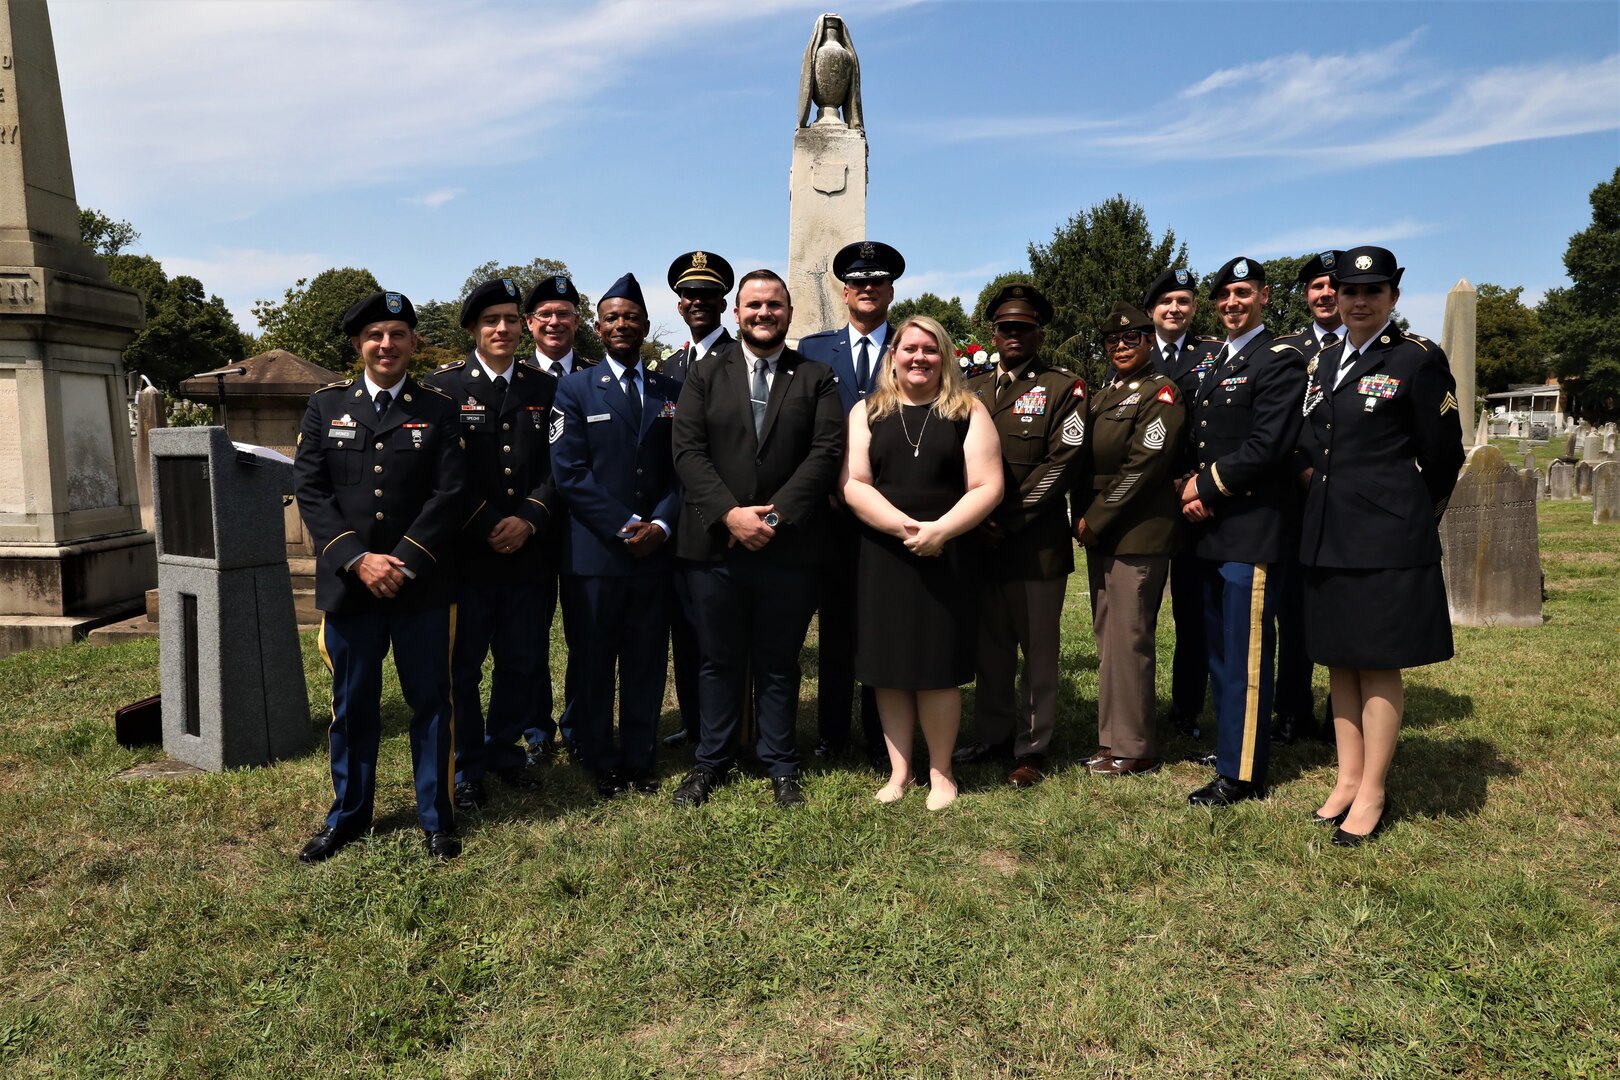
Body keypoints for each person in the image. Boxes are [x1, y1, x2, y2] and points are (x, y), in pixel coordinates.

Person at [1294, 245, 1464, 845]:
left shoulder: (1417, 360)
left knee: (1377, 660)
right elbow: (1314, 442)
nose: (1359, 301)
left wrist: (1409, 511)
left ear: (1394, 296)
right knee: (1340, 657)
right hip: (1327, 530)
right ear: (1334, 297)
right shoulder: (1324, 360)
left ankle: (1373, 790)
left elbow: (1445, 454)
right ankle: (1346, 778)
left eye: (1373, 291)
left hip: (1385, 534)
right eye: (1348, 291)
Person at [292, 290, 466, 862]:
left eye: (397, 333)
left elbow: (451, 493)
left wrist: (405, 559)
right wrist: (356, 558)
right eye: (374, 335)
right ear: (357, 344)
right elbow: (312, 491)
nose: (386, 344)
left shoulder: (439, 407)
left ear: (414, 342)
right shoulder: (325, 406)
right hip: (351, 584)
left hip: (422, 584)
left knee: (430, 703)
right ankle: (349, 813)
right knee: (353, 705)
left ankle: (436, 815)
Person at [669, 269, 844, 808]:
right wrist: (731, 515)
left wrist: (774, 518)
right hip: (715, 547)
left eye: (774, 305)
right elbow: (688, 452)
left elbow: (825, 452)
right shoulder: (703, 374)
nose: (763, 314)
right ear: (737, 312)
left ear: (789, 313)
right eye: (754, 305)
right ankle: (711, 761)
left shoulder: (816, 376)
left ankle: (780, 762)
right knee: (717, 659)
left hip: (788, 549)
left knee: (777, 659)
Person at [842, 315, 1002, 810]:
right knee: (888, 668)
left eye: (930, 350)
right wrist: (905, 529)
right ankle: (900, 772)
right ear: (894, 355)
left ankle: (941, 772)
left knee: (937, 668)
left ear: (945, 357)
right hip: (886, 552)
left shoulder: (968, 409)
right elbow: (855, 483)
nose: (919, 358)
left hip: (948, 552)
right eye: (909, 348)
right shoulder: (867, 411)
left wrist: (940, 531)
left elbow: (988, 486)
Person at [1178, 257, 1307, 807]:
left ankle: (1243, 773)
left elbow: (1269, 445)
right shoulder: (1211, 360)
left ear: (1264, 297)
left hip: (1251, 528)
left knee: (1247, 652)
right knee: (1219, 653)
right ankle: (1233, 743)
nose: (1233, 303)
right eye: (1225, 295)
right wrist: (1190, 483)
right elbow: (1198, 437)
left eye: (1243, 293)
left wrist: (1204, 487)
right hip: (1209, 528)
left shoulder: (1279, 360)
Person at [423, 277, 554, 812]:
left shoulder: (545, 388)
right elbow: (439, 475)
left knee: (521, 662)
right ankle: (468, 765)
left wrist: (528, 518)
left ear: (522, 326)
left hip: (530, 554)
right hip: (468, 557)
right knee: (465, 667)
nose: (502, 328)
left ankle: (506, 755)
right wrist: (487, 523)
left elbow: (559, 468)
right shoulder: (442, 388)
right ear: (474, 329)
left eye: (509, 319)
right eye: (490, 321)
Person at [549, 273, 681, 798]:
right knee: (596, 659)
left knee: (648, 659)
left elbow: (681, 469)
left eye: (631, 317)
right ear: (597, 329)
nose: (622, 325)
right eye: (612, 318)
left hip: (655, 555)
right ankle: (600, 757)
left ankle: (639, 756)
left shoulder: (671, 391)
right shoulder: (575, 387)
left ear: (646, 326)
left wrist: (662, 525)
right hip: (595, 556)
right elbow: (569, 472)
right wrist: (627, 527)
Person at [953, 283, 1090, 787]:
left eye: (1023, 328)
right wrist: (972, 519)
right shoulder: (971, 389)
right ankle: (992, 735)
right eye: (1005, 328)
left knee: (1038, 653)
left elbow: (1063, 463)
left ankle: (1031, 748)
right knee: (990, 647)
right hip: (981, 544)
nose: (1013, 335)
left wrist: (1002, 517)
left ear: (1038, 333)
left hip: (1033, 546)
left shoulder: (1063, 387)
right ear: (994, 332)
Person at [795, 240, 904, 767]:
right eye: (857, 282)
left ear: (889, 290)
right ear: (844, 291)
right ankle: (831, 733)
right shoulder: (814, 352)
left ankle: (883, 733)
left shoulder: (914, 348)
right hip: (827, 517)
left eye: (876, 281)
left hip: (893, 512)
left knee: (885, 624)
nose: (866, 289)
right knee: (836, 626)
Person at [1073, 302, 1188, 776]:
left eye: (1131, 339)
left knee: (1132, 638)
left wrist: (1094, 517)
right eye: (1112, 341)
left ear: (1147, 341)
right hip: (1102, 533)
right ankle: (1110, 740)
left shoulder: (1161, 392)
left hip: (1137, 532)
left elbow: (1145, 463)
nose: (1121, 346)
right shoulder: (1104, 396)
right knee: (1109, 639)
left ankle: (1136, 746)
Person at [1269, 251, 1346, 746]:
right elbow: (1276, 425)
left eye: (1333, 285)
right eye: (1316, 286)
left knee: (1348, 611)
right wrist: (1303, 471)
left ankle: (1344, 718)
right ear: (1306, 295)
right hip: (1296, 504)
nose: (1324, 294)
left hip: (1354, 509)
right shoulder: (1285, 351)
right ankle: (1292, 710)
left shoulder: (1394, 349)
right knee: (1293, 615)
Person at [661, 251, 735, 748]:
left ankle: (729, 727)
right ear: (680, 304)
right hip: (673, 521)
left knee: (725, 637)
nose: (698, 302)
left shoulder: (741, 358)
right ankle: (693, 722)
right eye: (689, 295)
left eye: (708, 294)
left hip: (724, 517)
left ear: (724, 301)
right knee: (684, 634)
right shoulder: (667, 366)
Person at [1143, 267, 1221, 744]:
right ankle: (1133, 708)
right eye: (1167, 301)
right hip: (1145, 506)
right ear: (1151, 308)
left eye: (1184, 301)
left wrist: (1197, 487)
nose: (1175, 308)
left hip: (1194, 503)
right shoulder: (1130, 352)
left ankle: (1187, 707)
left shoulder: (1211, 356)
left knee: (1194, 614)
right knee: (1137, 616)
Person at [521, 274, 594, 766]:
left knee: (585, 635)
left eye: (563, 314)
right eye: (544, 314)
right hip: (530, 530)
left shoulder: (594, 375)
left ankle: (581, 724)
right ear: (530, 323)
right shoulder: (514, 377)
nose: (554, 322)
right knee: (529, 635)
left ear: (577, 322)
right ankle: (536, 729)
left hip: (587, 529)